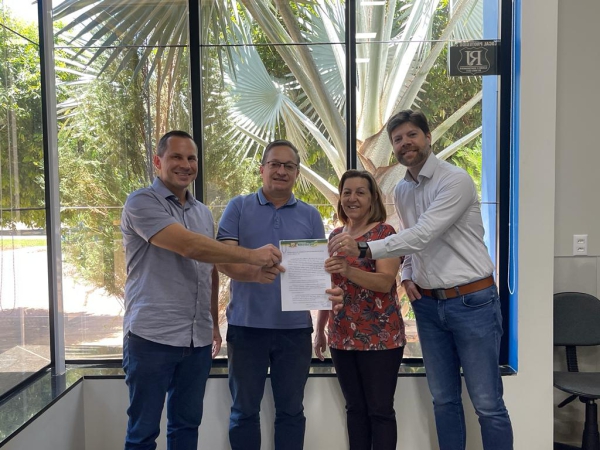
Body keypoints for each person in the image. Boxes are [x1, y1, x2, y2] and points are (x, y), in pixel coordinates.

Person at [328, 110, 513, 450]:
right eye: (397, 139)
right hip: (427, 305)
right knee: (443, 400)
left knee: (487, 403)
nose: (405, 143)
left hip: (472, 302)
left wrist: (364, 248)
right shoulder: (402, 190)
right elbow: (411, 242)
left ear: (428, 137)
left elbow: (424, 233)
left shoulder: (454, 180)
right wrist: (409, 275)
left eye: (412, 135)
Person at [120, 130, 282, 450]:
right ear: (158, 162)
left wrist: (213, 323)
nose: (185, 164)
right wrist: (253, 256)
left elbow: (209, 267)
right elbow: (189, 246)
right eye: (176, 157)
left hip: (196, 340)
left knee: (186, 426)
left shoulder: (202, 212)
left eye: (191, 158)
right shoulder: (141, 202)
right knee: (143, 433)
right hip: (152, 338)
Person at [216, 139, 340, 450]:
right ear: (262, 169)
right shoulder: (238, 207)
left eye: (289, 166)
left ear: (297, 173)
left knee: (291, 412)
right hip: (246, 328)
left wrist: (323, 318)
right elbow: (222, 260)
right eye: (275, 164)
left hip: (295, 331)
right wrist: (254, 271)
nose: (281, 171)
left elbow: (317, 271)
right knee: (244, 412)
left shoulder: (310, 215)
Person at [314, 170, 406, 450]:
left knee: (380, 411)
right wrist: (320, 329)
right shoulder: (335, 235)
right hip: (341, 336)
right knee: (354, 409)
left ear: (372, 198)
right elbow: (329, 286)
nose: (352, 198)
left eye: (360, 192)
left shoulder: (384, 234)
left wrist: (348, 270)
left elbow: (385, 282)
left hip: (380, 337)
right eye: (347, 192)